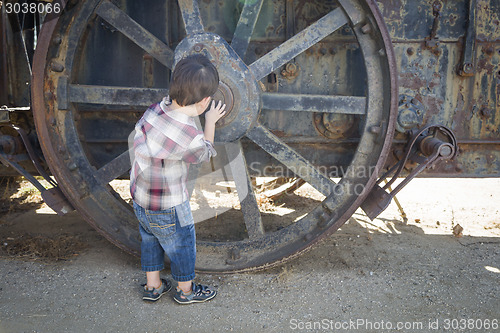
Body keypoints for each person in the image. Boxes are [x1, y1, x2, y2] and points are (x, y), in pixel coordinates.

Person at [129, 54, 226, 303]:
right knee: (182, 245)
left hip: (141, 199)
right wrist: (211, 122)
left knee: (150, 239)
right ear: (205, 102)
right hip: (169, 205)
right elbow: (204, 152)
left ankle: (153, 286)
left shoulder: (155, 109)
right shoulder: (189, 133)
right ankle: (186, 290)